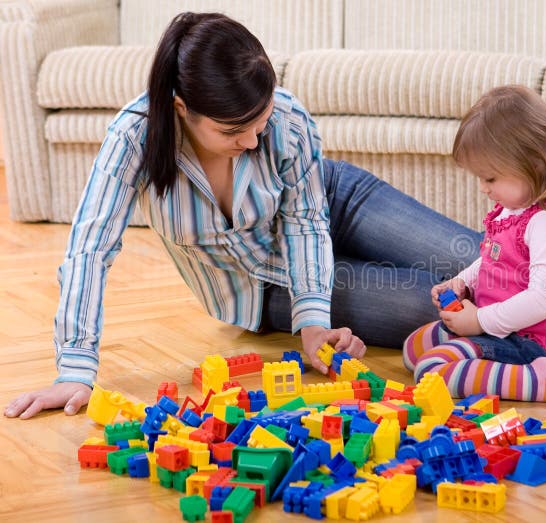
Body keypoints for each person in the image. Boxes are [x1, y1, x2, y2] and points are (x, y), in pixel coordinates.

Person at [4, 12, 480, 419]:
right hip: (262, 283)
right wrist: (75, 369)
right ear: (181, 108)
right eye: (234, 130)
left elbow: (306, 219)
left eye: (261, 120)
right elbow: (90, 250)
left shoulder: (286, 118)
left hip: (335, 202)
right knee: (442, 308)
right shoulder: (134, 138)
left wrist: (314, 319)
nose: (253, 141)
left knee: (480, 262)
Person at [403, 85, 546, 403]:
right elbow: (495, 260)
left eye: (490, 178)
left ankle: (544, 379)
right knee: (413, 349)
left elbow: (543, 299)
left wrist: (478, 320)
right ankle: (505, 369)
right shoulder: (514, 207)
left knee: (430, 371)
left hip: (535, 346)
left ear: (534, 164)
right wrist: (464, 281)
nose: (483, 188)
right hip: (501, 329)